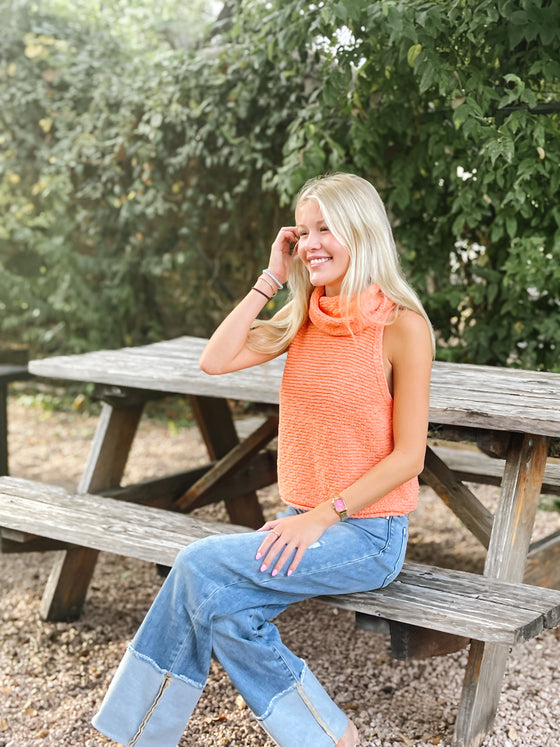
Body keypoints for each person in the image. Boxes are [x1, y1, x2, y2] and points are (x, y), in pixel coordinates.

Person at [92, 172, 434, 747]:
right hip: (303, 524)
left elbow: (409, 457)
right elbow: (214, 359)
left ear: (363, 231)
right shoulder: (304, 316)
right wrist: (272, 278)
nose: (312, 242)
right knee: (225, 613)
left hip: (366, 535)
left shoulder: (402, 327)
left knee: (197, 565)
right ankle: (331, 736)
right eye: (303, 231)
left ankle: (137, 734)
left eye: (327, 228)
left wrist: (319, 517)